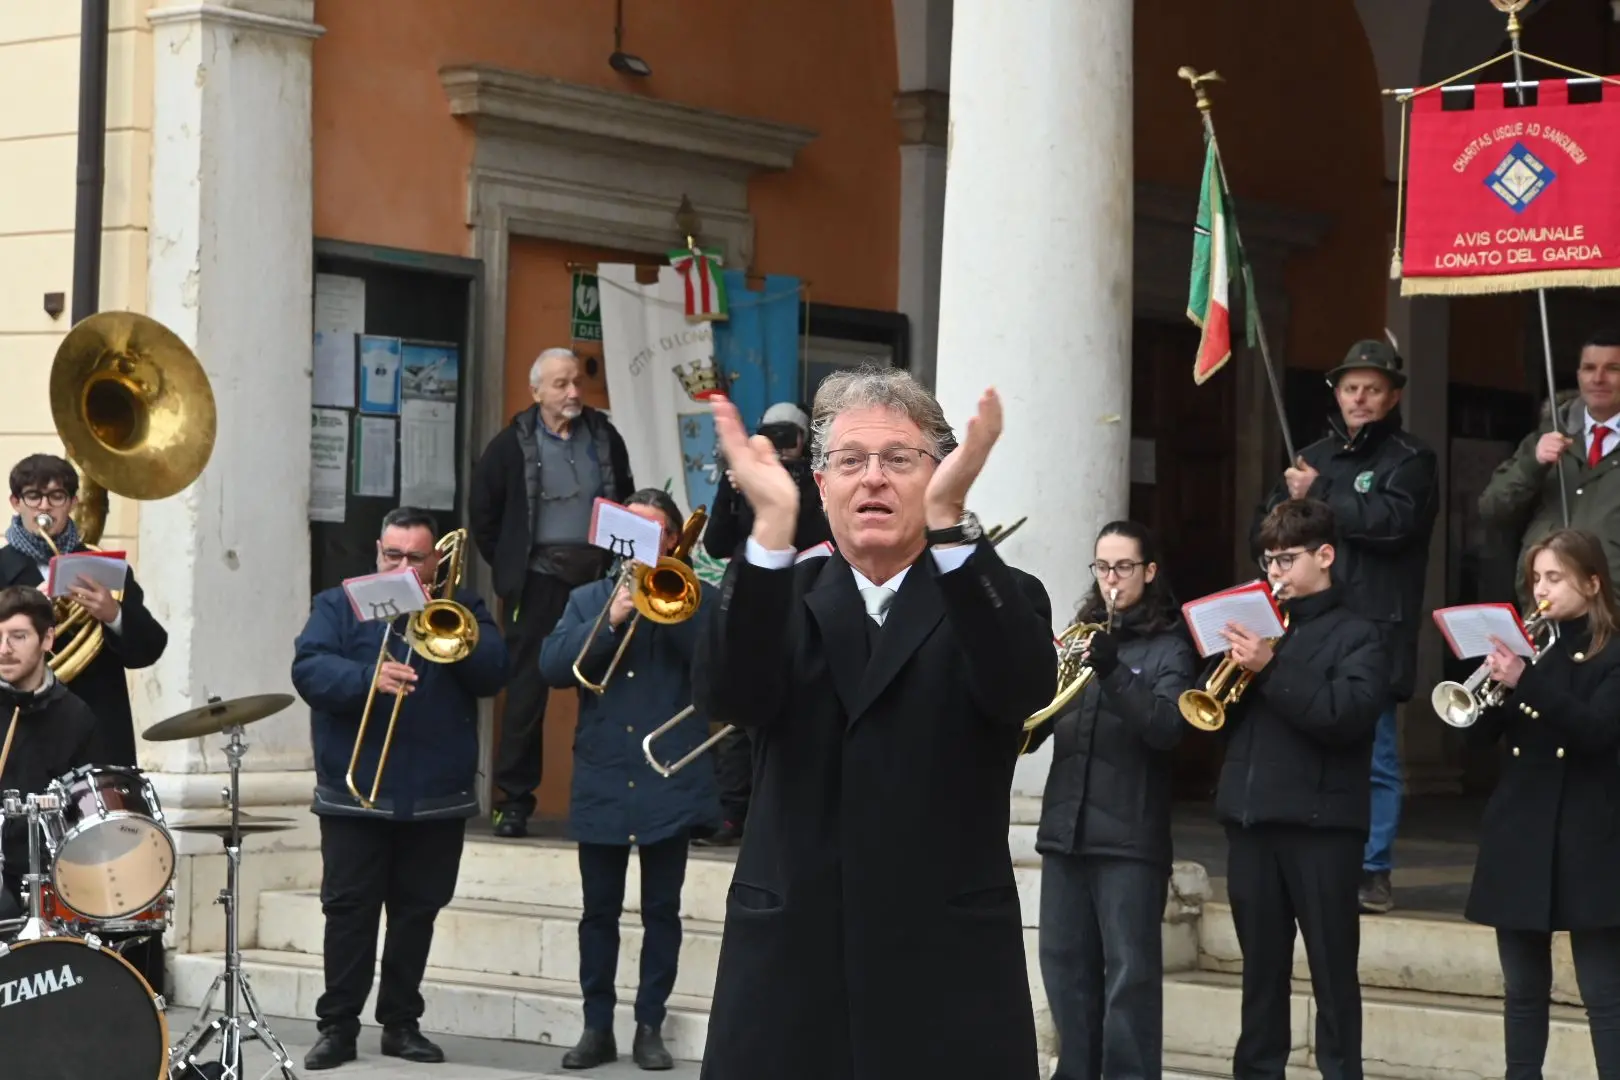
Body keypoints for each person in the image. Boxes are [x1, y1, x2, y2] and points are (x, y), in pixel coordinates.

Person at [691, 365, 1058, 1080]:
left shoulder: (998, 595)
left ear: (941, 472)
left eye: (899, 459)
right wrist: (768, 530)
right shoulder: (781, 591)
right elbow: (731, 693)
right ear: (820, 483)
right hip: (793, 968)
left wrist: (954, 526)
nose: (873, 479)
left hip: (945, 973)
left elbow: (1020, 691)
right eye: (850, 461)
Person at [292, 508, 509, 1070]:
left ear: (436, 560)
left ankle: (401, 1023)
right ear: (377, 553)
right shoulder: (338, 604)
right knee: (349, 913)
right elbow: (309, 669)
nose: (404, 566)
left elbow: (493, 673)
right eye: (394, 556)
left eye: (416, 557)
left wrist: (451, 620)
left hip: (435, 793)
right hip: (354, 792)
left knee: (417, 913)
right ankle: (337, 1026)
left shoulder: (462, 606)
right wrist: (369, 678)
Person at [1252, 340, 1438, 915]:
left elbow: (1394, 523)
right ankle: (1313, 853)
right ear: (1336, 392)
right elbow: (1267, 534)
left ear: (1393, 395)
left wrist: (1320, 493)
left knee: (1376, 754)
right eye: (1351, 387)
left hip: (1374, 628)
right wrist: (1286, 499)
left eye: (1373, 389)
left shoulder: (1411, 458)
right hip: (1304, 625)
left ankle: (1373, 868)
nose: (1361, 398)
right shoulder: (1309, 457)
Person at [539, 488, 720, 1071]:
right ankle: (596, 1028)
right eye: (630, 530)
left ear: (671, 540)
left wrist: (674, 605)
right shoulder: (588, 598)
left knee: (661, 911)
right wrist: (612, 617)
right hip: (606, 774)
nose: (641, 543)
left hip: (667, 776)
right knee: (599, 913)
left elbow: (720, 671)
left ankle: (650, 1025)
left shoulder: (697, 598)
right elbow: (552, 666)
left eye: (654, 532)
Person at [1215, 497, 1389, 1080]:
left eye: (1287, 559)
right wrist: (1223, 664)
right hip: (1252, 821)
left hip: (1322, 829)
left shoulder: (1360, 634)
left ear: (1325, 556)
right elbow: (1219, 719)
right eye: (1268, 561)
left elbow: (1345, 715)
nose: (1275, 573)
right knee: (1260, 976)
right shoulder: (1262, 627)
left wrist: (1271, 666)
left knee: (1332, 974)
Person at [1025, 520, 1196, 1080]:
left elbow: (1166, 727)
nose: (1111, 580)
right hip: (1065, 831)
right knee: (1064, 968)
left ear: (1149, 572)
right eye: (1102, 567)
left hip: (1129, 838)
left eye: (1123, 568)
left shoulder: (1171, 645)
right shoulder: (1079, 637)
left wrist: (1114, 669)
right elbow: (1040, 724)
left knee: (1129, 978)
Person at [0, 452, 168, 985]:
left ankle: (120, 984)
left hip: (95, 735)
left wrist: (112, 613)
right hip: (20, 734)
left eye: (56, 496)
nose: (45, 508)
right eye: (34, 498)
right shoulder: (2, 567)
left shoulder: (104, 568)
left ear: (73, 503)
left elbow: (148, 647)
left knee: (104, 862)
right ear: (15, 504)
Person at [1465, 527, 1620, 1080]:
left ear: (1592, 582)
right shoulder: (1534, 652)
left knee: (1605, 994)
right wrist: (1487, 690)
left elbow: (1597, 731)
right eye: (1536, 578)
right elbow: (1475, 746)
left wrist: (1524, 681)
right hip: (1521, 832)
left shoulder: (1611, 655)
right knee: (1522, 991)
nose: (1541, 590)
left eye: (1554, 577)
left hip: (1590, 838)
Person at [470, 347, 635, 838]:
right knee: (526, 692)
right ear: (536, 390)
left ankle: (610, 799)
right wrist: (512, 567)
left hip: (597, 577)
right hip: (537, 580)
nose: (572, 393)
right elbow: (485, 518)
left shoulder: (605, 436)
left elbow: (624, 498)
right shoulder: (508, 445)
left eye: (577, 384)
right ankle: (513, 802)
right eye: (561, 384)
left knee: (609, 682)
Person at [698, 400, 830, 848]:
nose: (777, 444)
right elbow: (716, 544)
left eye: (785, 435)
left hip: (804, 595)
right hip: (748, 593)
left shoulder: (818, 483)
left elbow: (818, 535)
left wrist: (788, 500)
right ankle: (735, 813)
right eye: (768, 434)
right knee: (739, 719)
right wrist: (734, 490)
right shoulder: (741, 481)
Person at [1480, 328, 1620, 598]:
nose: (1599, 378)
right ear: (1579, 376)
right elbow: (1492, 508)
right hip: (1546, 603)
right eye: (1589, 368)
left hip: (1612, 610)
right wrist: (1533, 464)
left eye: (1612, 369)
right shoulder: (1548, 435)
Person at [0, 586, 99, 924]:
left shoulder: (76, 717)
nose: (3, 650)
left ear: (47, 639)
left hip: (48, 884)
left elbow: (85, 817)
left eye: (18, 636)